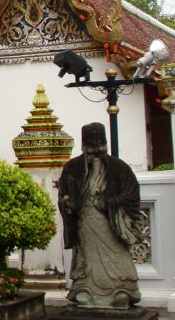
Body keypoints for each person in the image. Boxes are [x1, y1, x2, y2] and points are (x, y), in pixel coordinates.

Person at [58, 122, 142, 309]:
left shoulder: (119, 168)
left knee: (116, 257)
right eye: (90, 147)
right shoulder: (73, 168)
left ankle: (122, 292)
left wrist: (109, 203)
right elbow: (63, 193)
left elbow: (132, 194)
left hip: (111, 223)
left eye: (100, 146)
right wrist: (68, 205)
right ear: (83, 146)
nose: (96, 151)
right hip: (85, 222)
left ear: (105, 144)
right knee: (87, 260)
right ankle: (85, 291)